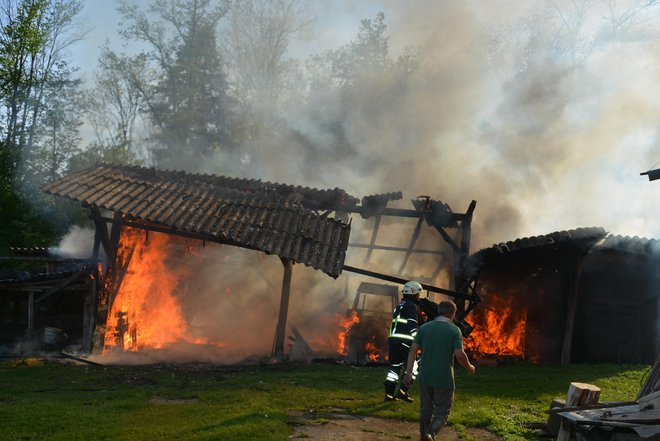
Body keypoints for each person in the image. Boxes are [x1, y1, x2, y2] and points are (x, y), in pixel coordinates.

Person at [403, 299, 476, 441]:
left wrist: (409, 372)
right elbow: (459, 354)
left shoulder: (424, 328)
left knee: (425, 411)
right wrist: (469, 367)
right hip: (444, 378)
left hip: (425, 376)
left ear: (439, 312)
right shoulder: (454, 330)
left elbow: (413, 349)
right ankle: (430, 434)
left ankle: (424, 436)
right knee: (441, 413)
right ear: (452, 314)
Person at [384, 280, 422, 402]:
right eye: (418, 294)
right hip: (405, 342)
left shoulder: (400, 305)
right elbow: (411, 326)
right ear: (414, 293)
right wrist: (419, 340)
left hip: (393, 342)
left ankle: (389, 395)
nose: (419, 296)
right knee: (415, 366)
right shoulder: (412, 306)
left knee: (394, 368)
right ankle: (402, 391)